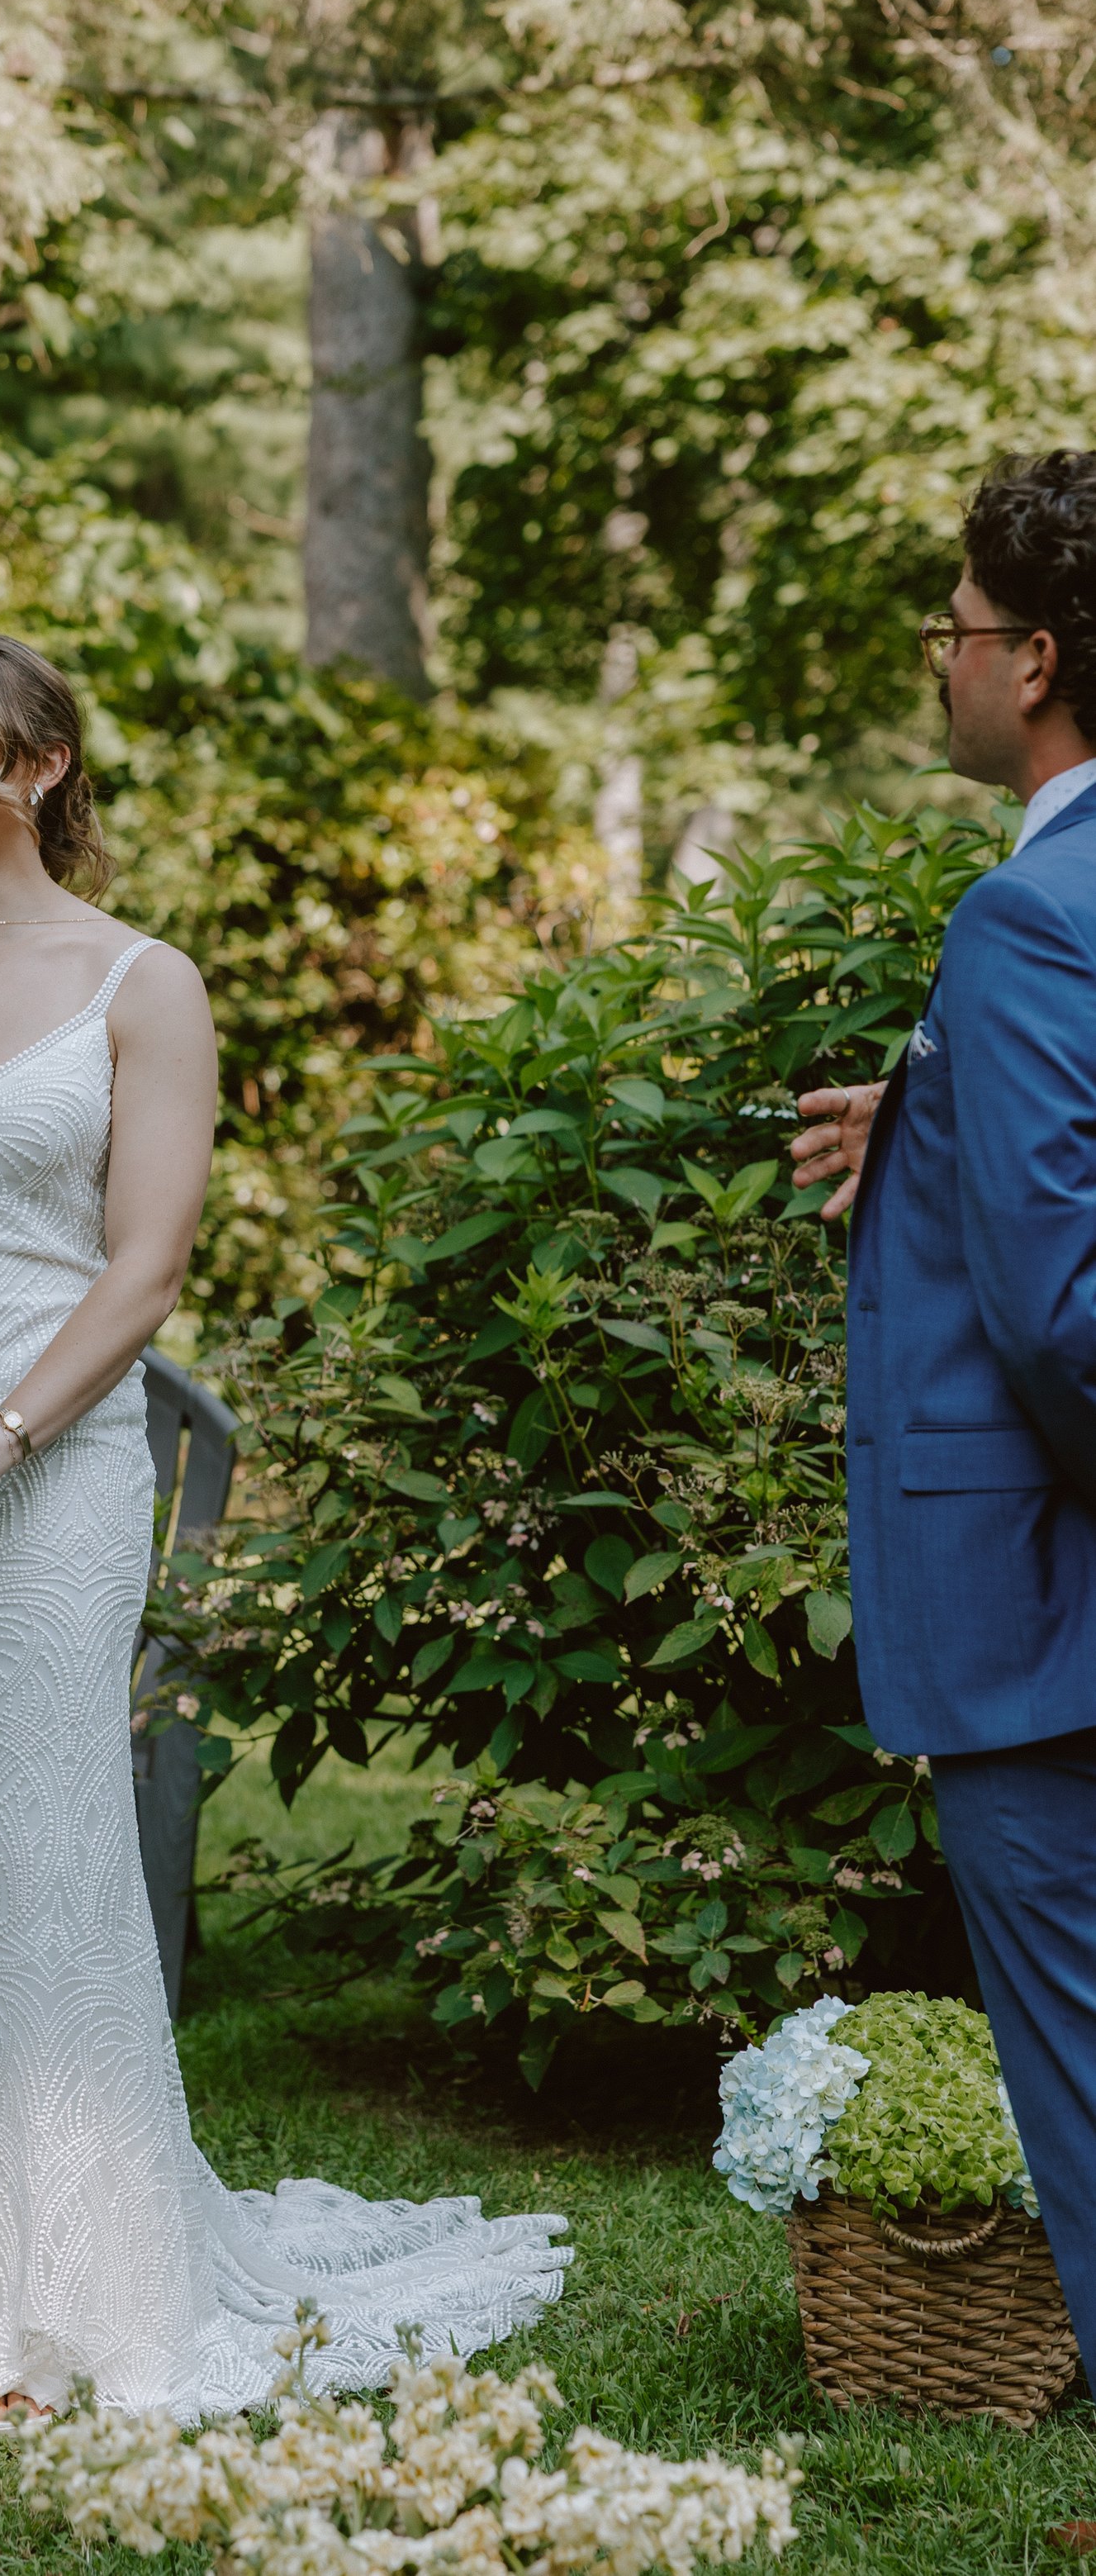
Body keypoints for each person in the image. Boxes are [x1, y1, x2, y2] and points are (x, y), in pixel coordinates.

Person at [0, 632, 571, 2436]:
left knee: (24, 1851)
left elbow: (144, 1266)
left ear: (37, 765)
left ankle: (49, 2296)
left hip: (45, 1480)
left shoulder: (144, 984)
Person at [790, 453, 1096, 2445]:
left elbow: (1063, 1313)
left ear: (1034, 659)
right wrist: (929, 1118)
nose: (943, 664)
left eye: (955, 632)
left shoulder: (1027, 912)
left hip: (1045, 1615)